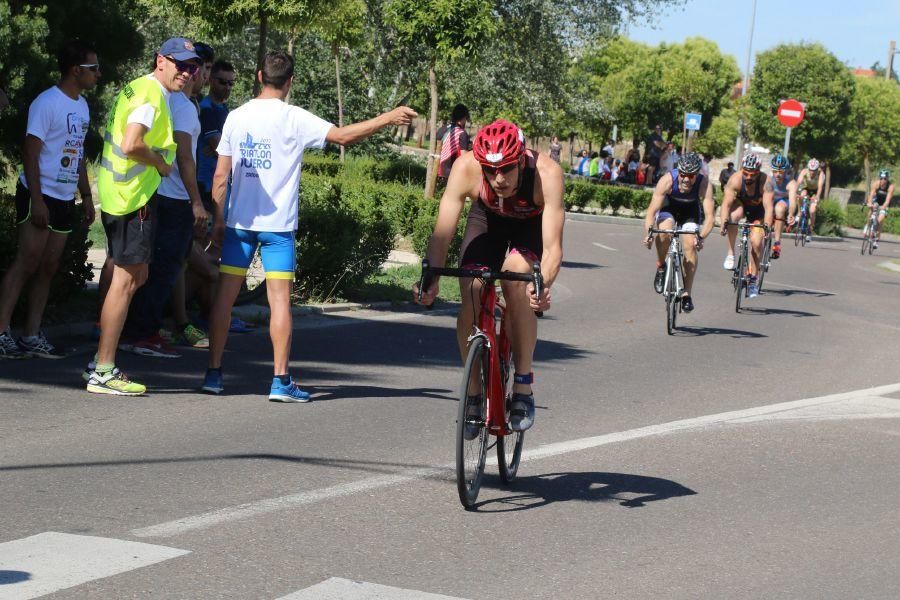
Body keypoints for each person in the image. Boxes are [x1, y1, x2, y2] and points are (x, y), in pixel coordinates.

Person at [201, 50, 416, 401]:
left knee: (224, 300)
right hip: (278, 230)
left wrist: (219, 219)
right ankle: (280, 381)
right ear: (290, 82)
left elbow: (221, 176)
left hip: (239, 224)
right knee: (281, 303)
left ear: (258, 77)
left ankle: (213, 374)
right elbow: (344, 136)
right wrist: (388, 117)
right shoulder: (295, 117)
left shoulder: (236, 117)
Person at [413, 119, 564, 433]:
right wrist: (431, 277)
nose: (498, 178)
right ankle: (473, 393)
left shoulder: (546, 174)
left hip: (528, 227)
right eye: (490, 170)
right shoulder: (466, 168)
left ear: (521, 160)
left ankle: (522, 385)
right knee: (471, 286)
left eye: (507, 168)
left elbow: (553, 248)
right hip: (487, 220)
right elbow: (443, 234)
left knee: (515, 278)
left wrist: (542, 285)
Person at [84, 38, 198, 395]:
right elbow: (133, 143)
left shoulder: (140, 88)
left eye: (192, 66)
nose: (186, 72)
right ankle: (103, 369)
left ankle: (101, 361)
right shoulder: (151, 95)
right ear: (160, 61)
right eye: (180, 64)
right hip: (132, 199)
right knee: (126, 281)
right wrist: (162, 164)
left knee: (135, 276)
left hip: (123, 196)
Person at [0, 40, 99, 359]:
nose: (98, 74)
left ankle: (31, 333)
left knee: (48, 266)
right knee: (26, 262)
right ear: (75, 71)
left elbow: (78, 152)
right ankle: (1, 331)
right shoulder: (47, 102)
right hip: (38, 194)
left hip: (64, 197)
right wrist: (38, 200)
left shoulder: (82, 106)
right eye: (93, 68)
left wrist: (85, 195)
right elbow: (30, 151)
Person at [118, 49, 208, 356]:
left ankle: (146, 329)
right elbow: (183, 155)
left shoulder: (178, 101)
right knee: (161, 270)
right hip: (172, 197)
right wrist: (196, 201)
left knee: (161, 267)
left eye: (195, 67)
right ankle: (142, 333)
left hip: (168, 194)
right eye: (188, 66)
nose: (194, 73)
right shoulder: (179, 106)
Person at [642, 153, 714, 312]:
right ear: (678, 172)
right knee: (664, 232)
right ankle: (661, 266)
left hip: (690, 212)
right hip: (669, 209)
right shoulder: (667, 180)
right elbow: (651, 213)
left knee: (689, 244)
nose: (686, 179)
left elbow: (710, 218)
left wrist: (701, 237)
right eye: (683, 175)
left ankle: (687, 294)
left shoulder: (704, 184)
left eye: (691, 176)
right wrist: (648, 234)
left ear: (697, 174)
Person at [720, 153, 774, 299]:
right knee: (733, 216)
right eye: (746, 173)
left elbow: (769, 208)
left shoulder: (766, 181)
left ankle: (753, 279)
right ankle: (731, 254)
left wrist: (767, 227)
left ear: (758, 172)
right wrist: (724, 222)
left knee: (756, 242)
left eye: (752, 174)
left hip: (758, 212)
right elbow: (726, 204)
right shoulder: (735, 179)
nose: (748, 177)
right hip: (741, 205)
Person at [197, 60, 235, 211]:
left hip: (220, 182)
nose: (227, 87)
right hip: (207, 186)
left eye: (231, 83)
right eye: (222, 82)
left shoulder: (223, 108)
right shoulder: (207, 109)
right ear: (211, 80)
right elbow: (220, 147)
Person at [766, 155, 796, 259]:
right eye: (775, 171)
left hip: (783, 202)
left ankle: (777, 242)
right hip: (770, 200)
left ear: (786, 171)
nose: (778, 174)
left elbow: (792, 202)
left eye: (781, 172)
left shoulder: (791, 183)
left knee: (779, 209)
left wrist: (791, 214)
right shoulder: (768, 180)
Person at [437, 103, 470, 179]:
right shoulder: (462, 133)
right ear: (464, 117)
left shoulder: (442, 129)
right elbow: (464, 158)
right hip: (449, 174)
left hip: (435, 170)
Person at [795, 158, 825, 242]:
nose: (812, 172)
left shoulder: (821, 174)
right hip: (806, 188)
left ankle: (809, 231)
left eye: (814, 170)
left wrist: (818, 196)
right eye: (810, 170)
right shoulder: (804, 171)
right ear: (808, 168)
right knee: (801, 195)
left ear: (817, 169)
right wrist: (795, 192)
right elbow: (798, 182)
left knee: (812, 210)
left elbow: (820, 187)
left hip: (815, 191)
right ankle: (799, 213)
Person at [868, 169, 894, 249]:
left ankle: (876, 240)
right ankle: (868, 226)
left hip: (885, 204)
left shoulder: (890, 187)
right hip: (877, 201)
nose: (883, 180)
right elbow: (871, 195)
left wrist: (884, 207)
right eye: (881, 178)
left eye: (885, 178)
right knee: (871, 212)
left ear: (887, 179)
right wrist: (869, 203)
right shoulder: (876, 184)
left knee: (880, 220)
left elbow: (888, 200)